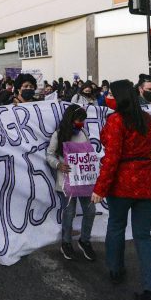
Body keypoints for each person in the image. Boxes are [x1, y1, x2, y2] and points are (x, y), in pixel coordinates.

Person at [92, 80, 151, 300]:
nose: (108, 97)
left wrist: (100, 188)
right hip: (148, 181)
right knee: (143, 236)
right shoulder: (147, 119)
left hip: (123, 181)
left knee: (116, 225)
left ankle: (116, 269)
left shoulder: (116, 120)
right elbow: (150, 145)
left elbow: (112, 157)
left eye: (111, 94)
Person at [45, 104, 98, 262]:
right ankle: (66, 243)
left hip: (84, 181)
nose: (81, 123)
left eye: (83, 120)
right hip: (66, 181)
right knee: (69, 213)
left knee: (90, 210)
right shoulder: (59, 134)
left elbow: (89, 153)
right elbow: (49, 154)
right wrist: (58, 165)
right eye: (78, 120)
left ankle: (85, 240)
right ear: (70, 119)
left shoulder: (84, 133)